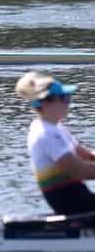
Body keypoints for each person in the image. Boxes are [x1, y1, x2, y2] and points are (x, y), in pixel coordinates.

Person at [15, 71, 95, 215]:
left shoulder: (57, 128)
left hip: (81, 197)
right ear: (46, 103)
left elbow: (88, 156)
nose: (68, 102)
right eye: (64, 98)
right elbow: (79, 171)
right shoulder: (46, 134)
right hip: (73, 204)